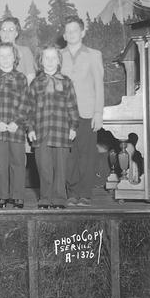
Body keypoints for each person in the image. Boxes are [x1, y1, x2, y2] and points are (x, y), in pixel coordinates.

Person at [26, 45, 79, 209]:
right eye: (46, 58)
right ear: (41, 61)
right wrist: (31, 128)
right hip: (41, 131)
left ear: (59, 60)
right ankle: (45, 197)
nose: (50, 61)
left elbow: (72, 106)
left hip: (61, 131)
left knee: (61, 167)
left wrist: (73, 127)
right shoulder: (35, 83)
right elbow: (29, 108)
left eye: (53, 58)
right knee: (44, 166)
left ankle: (59, 198)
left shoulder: (66, 81)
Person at [61, 16, 104, 207]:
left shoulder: (94, 55)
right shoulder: (58, 55)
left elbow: (99, 86)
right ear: (63, 35)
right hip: (63, 114)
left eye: (75, 30)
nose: (71, 34)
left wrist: (98, 113)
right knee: (69, 154)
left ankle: (85, 193)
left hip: (87, 112)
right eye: (68, 31)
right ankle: (72, 192)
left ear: (82, 32)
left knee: (86, 154)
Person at [0, 42, 29, 209]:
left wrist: (16, 122)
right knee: (0, 164)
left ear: (15, 57)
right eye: (1, 56)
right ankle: (2, 196)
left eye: (8, 55)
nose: (5, 59)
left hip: (16, 130)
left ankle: (18, 196)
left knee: (17, 163)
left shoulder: (21, 78)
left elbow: (26, 102)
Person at [0, 17, 36, 84]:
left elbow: (30, 77)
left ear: (16, 33)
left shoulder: (25, 51)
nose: (6, 33)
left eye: (11, 30)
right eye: (4, 30)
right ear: (0, 33)